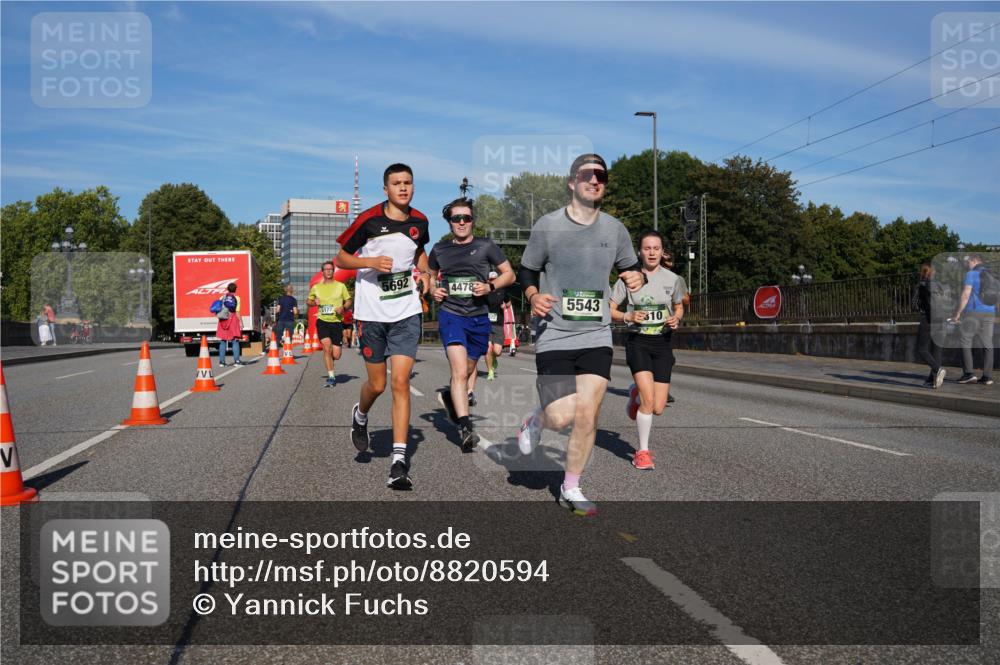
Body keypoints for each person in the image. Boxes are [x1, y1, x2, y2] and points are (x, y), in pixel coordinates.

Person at [516, 153, 645, 516]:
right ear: (572, 182)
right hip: (555, 332)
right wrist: (532, 295)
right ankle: (536, 419)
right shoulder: (548, 225)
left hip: (596, 334)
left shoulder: (615, 229)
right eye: (587, 174)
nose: (594, 180)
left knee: (588, 411)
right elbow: (527, 270)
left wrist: (638, 278)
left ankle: (571, 486)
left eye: (601, 176)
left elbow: (632, 271)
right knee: (561, 417)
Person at [336, 163, 432, 490]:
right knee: (377, 385)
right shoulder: (369, 220)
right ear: (386, 189)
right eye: (396, 183)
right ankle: (360, 415)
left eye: (408, 182)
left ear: (413, 186)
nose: (403, 188)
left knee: (400, 382)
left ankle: (399, 462)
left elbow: (419, 254)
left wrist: (428, 274)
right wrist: (370, 262)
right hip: (371, 311)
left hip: (406, 309)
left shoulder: (420, 221)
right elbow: (341, 259)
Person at [429, 198, 515, 451]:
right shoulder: (440, 249)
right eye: (457, 218)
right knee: (458, 371)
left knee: (467, 370)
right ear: (449, 222)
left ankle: (449, 396)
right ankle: (465, 427)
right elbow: (429, 275)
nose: (462, 222)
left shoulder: (486, 245)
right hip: (451, 314)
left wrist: (490, 286)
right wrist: (433, 289)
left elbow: (509, 274)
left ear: (473, 221)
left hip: (479, 317)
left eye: (466, 218)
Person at [609, 230, 685, 470]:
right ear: (639, 252)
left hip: (662, 343)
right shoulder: (627, 279)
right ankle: (642, 452)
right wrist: (628, 315)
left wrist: (676, 318)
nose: (652, 252)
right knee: (649, 401)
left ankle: (635, 395)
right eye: (647, 248)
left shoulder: (673, 279)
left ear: (662, 252)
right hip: (638, 341)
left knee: (658, 407)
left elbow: (679, 306)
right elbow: (609, 309)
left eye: (656, 248)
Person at [308, 262, 352, 387]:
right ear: (322, 272)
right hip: (322, 321)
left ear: (333, 271)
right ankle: (331, 376)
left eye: (331, 269)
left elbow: (348, 300)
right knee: (327, 346)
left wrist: (343, 308)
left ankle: (330, 361)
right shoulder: (316, 287)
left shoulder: (341, 286)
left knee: (336, 355)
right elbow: (308, 301)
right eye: (326, 269)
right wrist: (313, 302)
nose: (328, 271)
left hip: (336, 322)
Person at [952, 253, 995, 386]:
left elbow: (966, 294)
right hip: (990, 311)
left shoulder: (971, 274)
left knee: (965, 340)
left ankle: (969, 374)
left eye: (968, 261)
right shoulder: (991, 275)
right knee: (987, 343)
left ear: (974, 260)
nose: (967, 264)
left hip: (974, 312)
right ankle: (987, 376)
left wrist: (957, 313)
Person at [661, 250, 687, 404]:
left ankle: (664, 390)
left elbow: (686, 300)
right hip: (647, 324)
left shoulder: (677, 279)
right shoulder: (645, 276)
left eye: (669, 262)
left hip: (668, 324)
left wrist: (677, 312)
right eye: (664, 262)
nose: (667, 265)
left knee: (667, 358)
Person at [915, 263, 946, 389]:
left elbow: (914, 304)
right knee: (936, 350)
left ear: (922, 273)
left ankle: (937, 369)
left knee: (922, 349)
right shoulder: (939, 285)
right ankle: (932, 380)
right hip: (942, 319)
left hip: (927, 319)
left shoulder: (921, 284)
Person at [484, 271, 512, 381]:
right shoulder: (484, 293)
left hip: (499, 324)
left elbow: (509, 304)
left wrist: (505, 306)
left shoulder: (503, 291)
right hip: (486, 324)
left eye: (495, 279)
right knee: (487, 349)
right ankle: (490, 371)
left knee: (497, 351)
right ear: (488, 280)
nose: (493, 281)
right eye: (491, 279)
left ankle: (494, 359)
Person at [216, 283, 243, 366]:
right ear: (235, 289)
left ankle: (221, 362)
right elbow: (237, 312)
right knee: (235, 340)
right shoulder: (237, 298)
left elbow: (218, 309)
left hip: (223, 320)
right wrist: (241, 322)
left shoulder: (222, 297)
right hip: (233, 319)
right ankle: (237, 361)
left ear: (228, 289)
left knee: (223, 340)